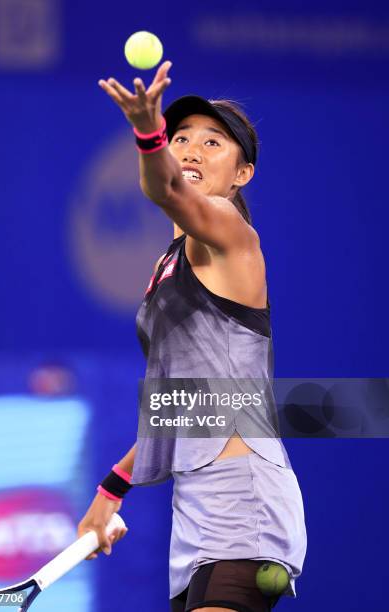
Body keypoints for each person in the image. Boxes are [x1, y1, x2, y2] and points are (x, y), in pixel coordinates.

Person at [78, 61, 307, 612]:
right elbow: (187, 407)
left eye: (213, 142)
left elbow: (170, 192)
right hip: (196, 514)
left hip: (242, 498)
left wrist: (147, 133)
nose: (192, 149)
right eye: (180, 138)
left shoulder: (231, 231)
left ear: (242, 173)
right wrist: (111, 490)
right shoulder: (167, 268)